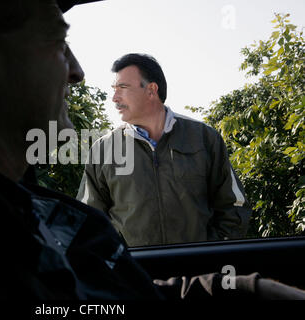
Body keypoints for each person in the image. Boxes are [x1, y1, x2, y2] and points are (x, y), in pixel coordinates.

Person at [0, 0, 303, 304]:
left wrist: (244, 287)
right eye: (57, 42)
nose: (76, 70)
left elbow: (113, 294)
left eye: (122, 87)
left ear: (153, 90)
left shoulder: (12, 205)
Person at [77, 53, 252, 246]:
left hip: (200, 270)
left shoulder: (204, 137)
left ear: (151, 90)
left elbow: (234, 205)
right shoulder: (103, 149)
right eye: (114, 89)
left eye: (123, 88)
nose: (114, 97)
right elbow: (88, 218)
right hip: (136, 272)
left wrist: (215, 252)